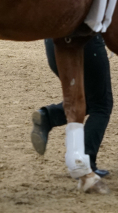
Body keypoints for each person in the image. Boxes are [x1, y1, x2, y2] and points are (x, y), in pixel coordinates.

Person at [30, 36, 112, 177]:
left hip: (52, 45)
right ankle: (85, 163)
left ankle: (48, 117)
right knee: (101, 105)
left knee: (83, 98)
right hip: (86, 43)